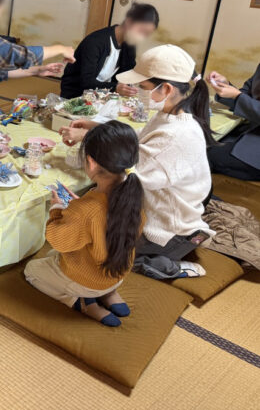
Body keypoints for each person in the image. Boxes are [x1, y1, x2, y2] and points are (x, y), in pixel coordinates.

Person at [59, 45, 215, 278]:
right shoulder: (171, 116)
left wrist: (90, 138)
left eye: (143, 87)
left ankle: (172, 266)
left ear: (167, 89)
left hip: (167, 231)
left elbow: (126, 169)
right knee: (86, 228)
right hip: (153, 211)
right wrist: (97, 128)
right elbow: (136, 143)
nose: (137, 90)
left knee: (98, 254)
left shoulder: (177, 136)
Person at [25, 120, 144, 327]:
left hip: (87, 281)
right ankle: (110, 294)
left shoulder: (87, 210)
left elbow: (59, 241)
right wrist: (78, 209)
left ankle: (83, 303)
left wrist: (57, 210)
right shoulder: (132, 194)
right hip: (116, 274)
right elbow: (101, 222)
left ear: (91, 162)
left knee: (32, 269)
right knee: (60, 257)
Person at [60, 3, 159, 99]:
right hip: (76, 94)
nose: (143, 37)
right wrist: (115, 88)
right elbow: (86, 82)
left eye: (147, 34)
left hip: (102, 95)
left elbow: (127, 74)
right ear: (129, 22)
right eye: (142, 31)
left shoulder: (129, 44)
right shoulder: (95, 42)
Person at [206, 64, 260, 181]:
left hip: (256, 150)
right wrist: (225, 85)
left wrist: (237, 96)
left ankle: (201, 196)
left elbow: (241, 98)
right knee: (201, 144)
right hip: (249, 132)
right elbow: (245, 96)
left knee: (205, 155)